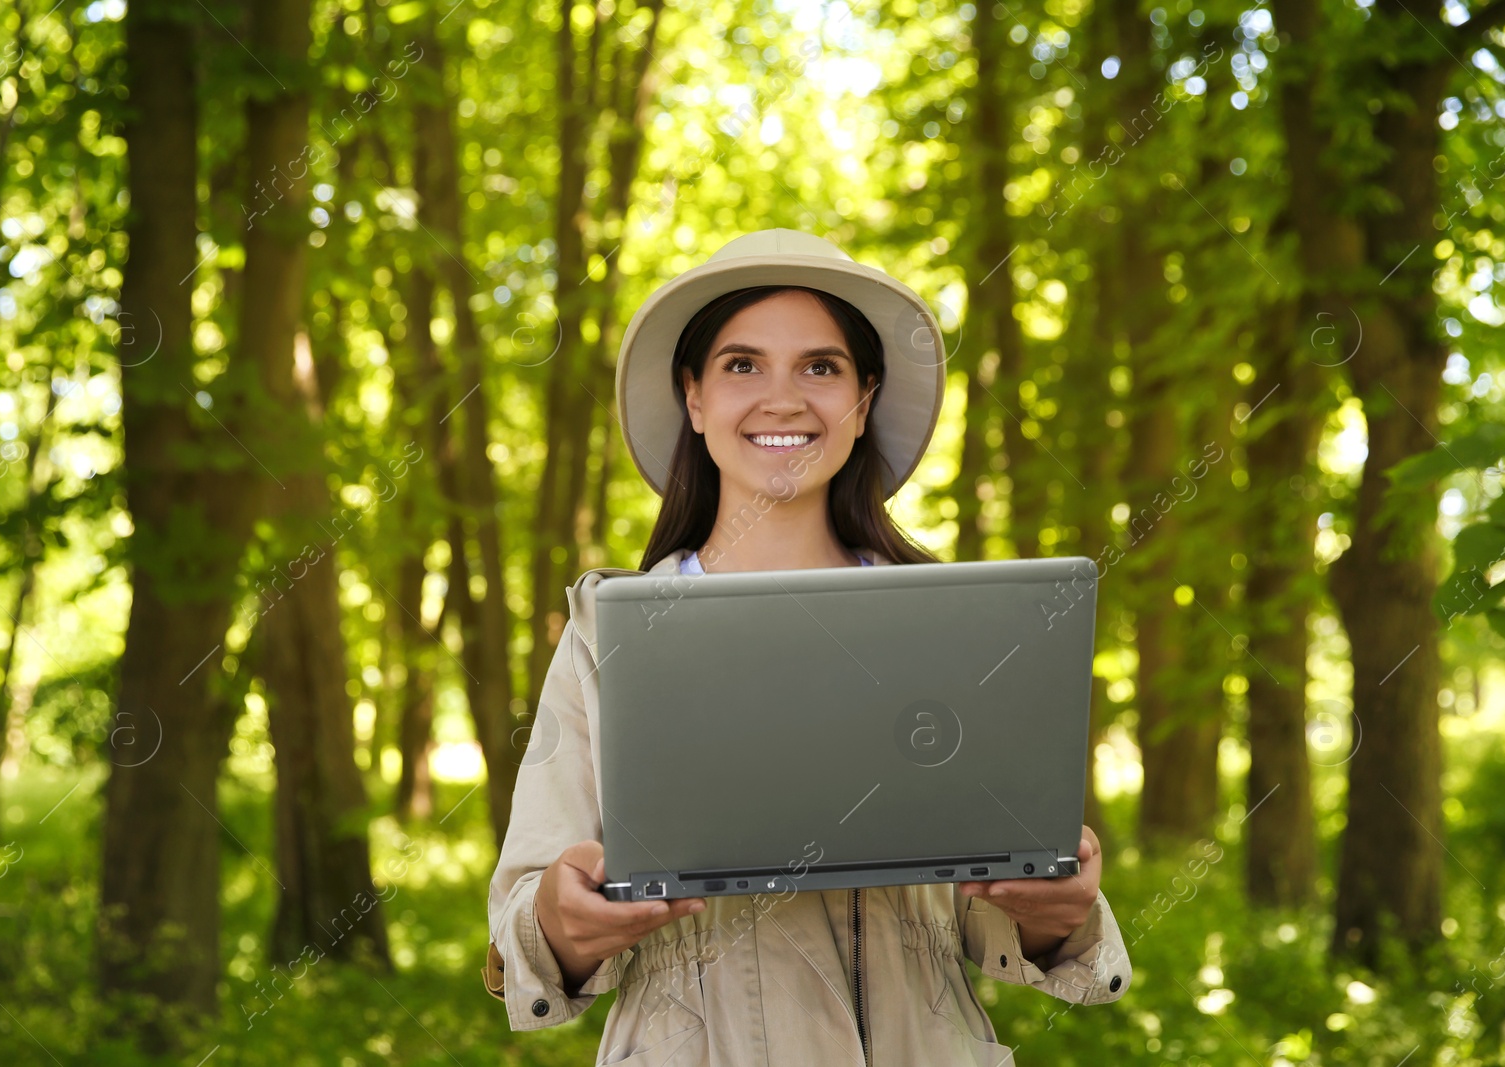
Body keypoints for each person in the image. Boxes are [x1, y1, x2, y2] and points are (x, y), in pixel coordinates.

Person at [484, 228, 1132, 1065]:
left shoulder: (955, 628)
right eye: (742, 364)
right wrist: (561, 924)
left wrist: (1059, 914)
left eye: (820, 367)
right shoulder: (608, 633)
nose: (783, 399)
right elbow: (522, 932)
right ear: (694, 397)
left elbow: (999, 897)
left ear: (862, 403)